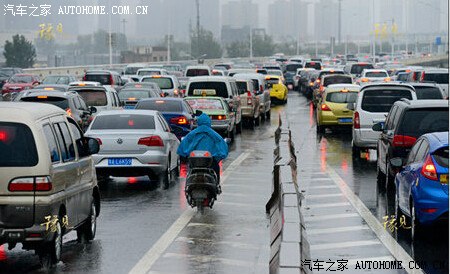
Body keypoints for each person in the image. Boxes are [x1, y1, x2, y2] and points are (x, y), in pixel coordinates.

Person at [177, 113, 228, 189]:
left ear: (199, 122)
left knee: (189, 171)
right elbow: (222, 147)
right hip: (210, 162)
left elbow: (183, 147)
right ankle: (217, 185)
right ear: (209, 122)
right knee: (216, 168)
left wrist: (185, 156)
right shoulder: (214, 135)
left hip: (194, 162)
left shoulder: (192, 134)